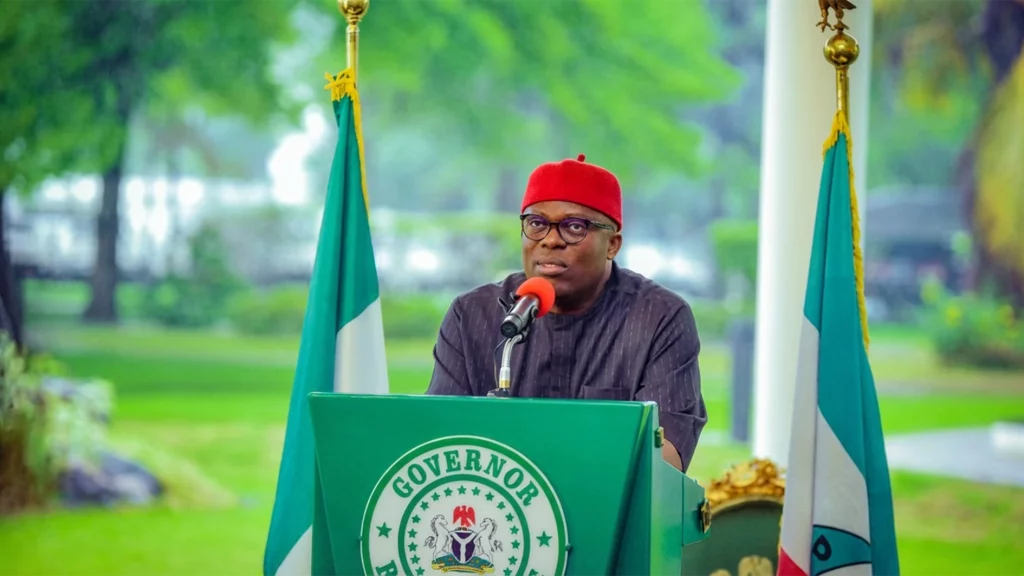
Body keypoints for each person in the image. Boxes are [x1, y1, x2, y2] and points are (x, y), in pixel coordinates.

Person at [425, 154, 707, 472]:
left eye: (574, 227)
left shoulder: (660, 318)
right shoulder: (472, 314)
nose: (550, 240)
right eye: (536, 223)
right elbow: (436, 438)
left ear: (612, 245)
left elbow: (666, 459)